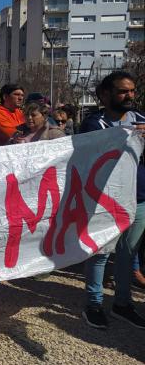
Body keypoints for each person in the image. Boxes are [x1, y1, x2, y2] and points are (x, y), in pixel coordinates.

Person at [79, 71, 145, 330]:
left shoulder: (142, 120)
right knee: (100, 253)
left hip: (139, 199)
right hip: (104, 201)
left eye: (132, 91)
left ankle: (122, 303)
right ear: (105, 95)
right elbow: (89, 159)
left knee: (128, 254)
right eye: (122, 91)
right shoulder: (93, 125)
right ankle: (94, 304)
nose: (129, 96)